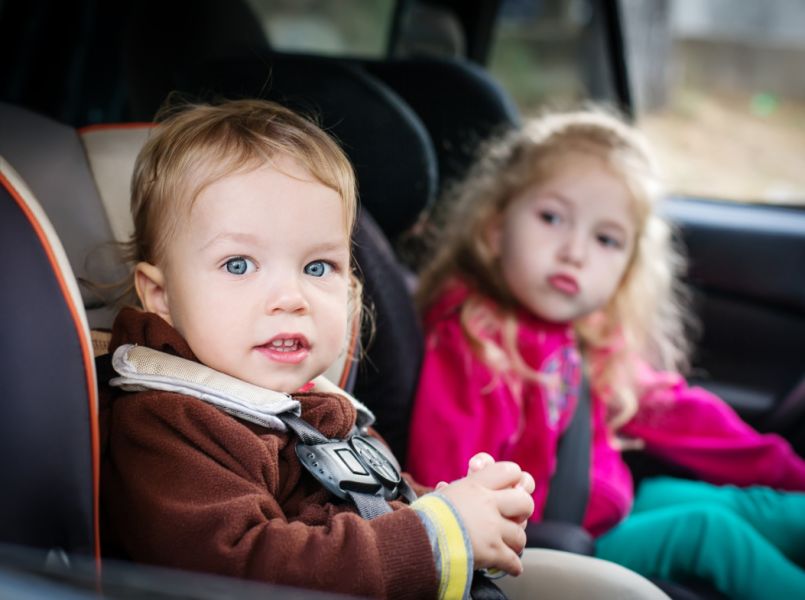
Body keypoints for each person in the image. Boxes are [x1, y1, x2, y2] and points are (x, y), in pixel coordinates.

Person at [98, 99, 668, 600]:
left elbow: (378, 502)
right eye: (239, 265)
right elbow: (243, 571)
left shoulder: (316, 405)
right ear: (161, 297)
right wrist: (439, 532)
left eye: (317, 266)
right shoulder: (171, 422)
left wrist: (462, 504)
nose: (290, 297)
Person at [406, 108, 805, 599]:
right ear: (494, 230)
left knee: (753, 507)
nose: (575, 251)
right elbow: (453, 486)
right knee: (708, 531)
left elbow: (681, 416)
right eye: (551, 217)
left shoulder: (583, 334)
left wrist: (788, 470)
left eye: (606, 239)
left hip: (609, 505)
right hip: (551, 546)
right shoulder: (473, 340)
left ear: (627, 268)